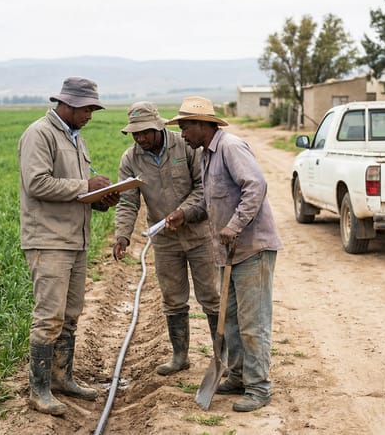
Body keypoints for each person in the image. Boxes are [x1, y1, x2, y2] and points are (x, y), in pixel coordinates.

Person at [165, 96, 283, 412]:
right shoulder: (206, 156)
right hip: (227, 254)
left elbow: (255, 186)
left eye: (186, 126)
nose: (182, 133)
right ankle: (238, 376)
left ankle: (259, 388)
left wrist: (234, 225)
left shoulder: (230, 147)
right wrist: (184, 214)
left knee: (252, 321)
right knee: (230, 320)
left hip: (252, 249)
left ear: (204, 125)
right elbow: (209, 202)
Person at [18, 76, 119, 415]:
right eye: (88, 108)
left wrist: (101, 198)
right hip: (48, 240)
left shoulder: (77, 139)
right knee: (49, 316)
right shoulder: (40, 134)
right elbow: (36, 183)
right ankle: (39, 389)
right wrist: (85, 185)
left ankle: (62, 378)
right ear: (70, 105)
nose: (91, 114)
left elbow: (76, 191)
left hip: (76, 239)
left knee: (71, 315)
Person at [112, 101, 221, 376]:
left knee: (211, 297)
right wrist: (122, 236)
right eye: (135, 134)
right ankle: (180, 356)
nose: (141, 138)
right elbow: (127, 202)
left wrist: (184, 213)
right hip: (165, 241)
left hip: (199, 235)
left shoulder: (185, 146)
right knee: (173, 299)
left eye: (145, 132)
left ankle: (224, 358)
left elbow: (203, 186)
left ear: (158, 126)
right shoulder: (131, 159)